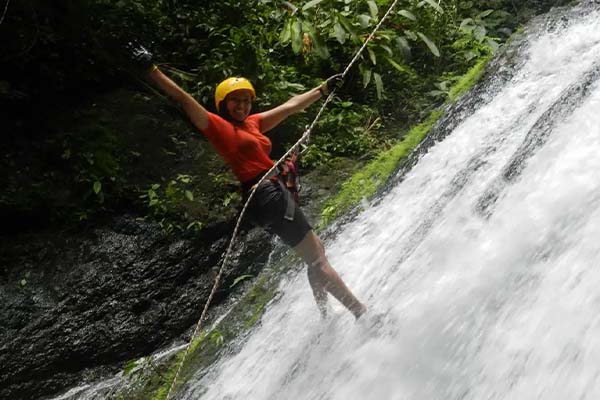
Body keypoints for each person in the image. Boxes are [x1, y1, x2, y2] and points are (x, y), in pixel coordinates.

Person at [133, 46, 366, 319]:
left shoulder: (253, 124)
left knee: (315, 255)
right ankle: (361, 313)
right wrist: (152, 71)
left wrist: (323, 89)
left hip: (269, 194)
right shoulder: (219, 128)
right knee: (317, 258)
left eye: (245, 100)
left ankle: (326, 317)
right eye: (235, 101)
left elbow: (290, 107)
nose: (241, 106)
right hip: (266, 194)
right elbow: (184, 99)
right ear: (223, 104)